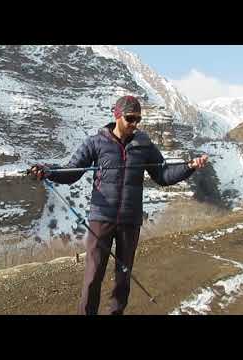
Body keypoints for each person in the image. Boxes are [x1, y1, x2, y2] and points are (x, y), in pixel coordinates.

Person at [29, 95, 208, 315]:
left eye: (138, 120)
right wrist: (47, 171)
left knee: (123, 278)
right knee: (93, 276)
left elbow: (163, 176)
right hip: (101, 219)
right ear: (117, 116)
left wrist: (190, 166)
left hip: (130, 221)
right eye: (130, 118)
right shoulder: (96, 142)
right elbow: (72, 171)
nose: (134, 124)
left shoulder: (144, 145)